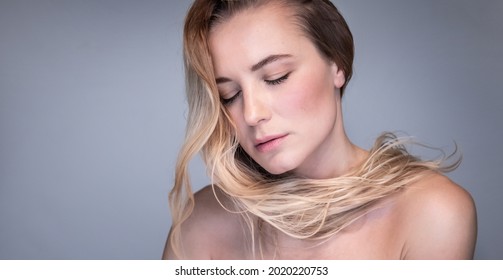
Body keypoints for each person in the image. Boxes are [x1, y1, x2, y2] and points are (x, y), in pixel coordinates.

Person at [163, 0, 477, 259]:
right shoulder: (200, 221)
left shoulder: (430, 213)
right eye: (229, 95)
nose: (252, 114)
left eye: (277, 77)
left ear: (336, 64)